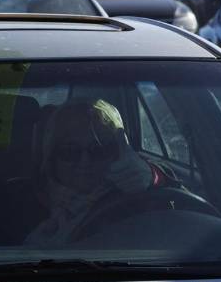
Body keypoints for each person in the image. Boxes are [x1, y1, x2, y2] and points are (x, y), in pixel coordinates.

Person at [24, 99, 159, 246]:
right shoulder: (21, 202)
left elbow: (172, 189)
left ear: (116, 153)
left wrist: (153, 175)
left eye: (98, 150)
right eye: (70, 151)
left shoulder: (133, 195)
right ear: (51, 156)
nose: (85, 162)